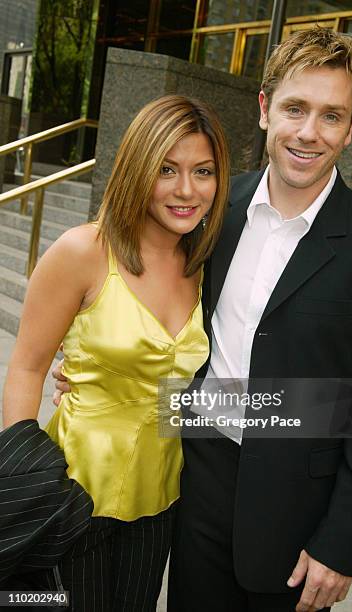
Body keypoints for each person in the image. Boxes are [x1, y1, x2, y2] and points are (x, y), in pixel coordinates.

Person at [163, 28, 352, 612]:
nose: (308, 132)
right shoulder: (211, 211)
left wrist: (343, 542)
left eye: (331, 116)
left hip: (301, 520)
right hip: (198, 486)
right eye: (295, 108)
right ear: (265, 109)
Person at [2, 94, 230, 611]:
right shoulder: (84, 251)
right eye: (167, 169)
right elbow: (27, 366)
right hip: (72, 491)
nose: (187, 189)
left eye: (204, 171)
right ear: (136, 169)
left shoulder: (205, 264)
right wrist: (29, 478)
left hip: (162, 499)